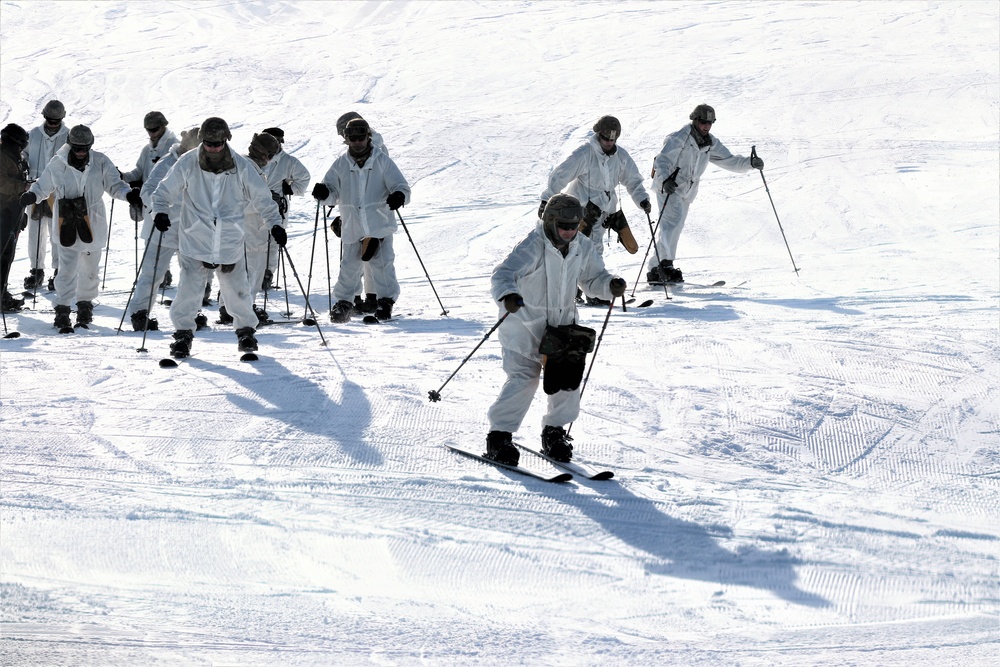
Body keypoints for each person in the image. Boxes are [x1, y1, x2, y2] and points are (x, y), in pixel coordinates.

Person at [484, 193, 626, 466]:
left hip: (561, 329)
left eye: (575, 226)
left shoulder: (581, 246)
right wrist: (508, 295)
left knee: (567, 381)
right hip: (524, 326)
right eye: (564, 225)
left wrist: (610, 285)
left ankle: (554, 433)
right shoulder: (533, 245)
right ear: (549, 222)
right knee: (524, 380)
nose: (569, 231)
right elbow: (502, 275)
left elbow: (593, 279)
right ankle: (499, 437)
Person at [150, 117, 282, 358]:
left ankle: (245, 332)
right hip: (195, 238)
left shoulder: (241, 166)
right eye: (208, 143)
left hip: (229, 240)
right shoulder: (187, 162)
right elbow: (164, 191)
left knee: (237, 290)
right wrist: (159, 211)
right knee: (189, 289)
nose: (213, 148)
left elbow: (262, 198)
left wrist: (275, 224)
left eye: (217, 143)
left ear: (226, 140)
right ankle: (182, 335)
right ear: (202, 140)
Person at [21, 125, 139, 330]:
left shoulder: (100, 161)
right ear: (70, 145)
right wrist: (33, 195)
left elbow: (115, 185)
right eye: (77, 148)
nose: (81, 152)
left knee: (90, 268)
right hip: (66, 221)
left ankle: (85, 304)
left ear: (90, 146)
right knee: (66, 269)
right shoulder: (58, 163)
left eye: (85, 148)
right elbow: (44, 185)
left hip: (93, 219)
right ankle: (63, 309)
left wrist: (128, 195)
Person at [647, 104, 763, 284]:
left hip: (687, 191)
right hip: (670, 187)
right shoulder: (679, 139)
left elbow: (729, 160)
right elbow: (661, 161)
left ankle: (656, 268)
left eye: (710, 122)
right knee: (672, 223)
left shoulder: (710, 143)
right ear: (694, 120)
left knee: (674, 227)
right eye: (703, 122)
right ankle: (665, 265)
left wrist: (750, 163)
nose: (706, 126)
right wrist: (665, 180)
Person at [312, 117, 410, 323]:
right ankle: (344, 302)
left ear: (368, 137)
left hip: (379, 222)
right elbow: (332, 192)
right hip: (353, 224)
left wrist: (399, 196)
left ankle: (385, 302)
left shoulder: (382, 161)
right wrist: (323, 193)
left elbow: (401, 185)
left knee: (383, 264)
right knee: (349, 265)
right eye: (352, 137)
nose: (357, 141)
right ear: (346, 139)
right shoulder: (341, 164)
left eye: (361, 136)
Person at [129, 127, 201, 331]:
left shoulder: (202, 164)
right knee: (153, 272)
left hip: (191, 229)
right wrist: (157, 211)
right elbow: (148, 190)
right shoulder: (168, 162)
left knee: (192, 273)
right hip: (162, 227)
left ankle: (190, 312)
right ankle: (139, 312)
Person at [216, 131, 281, 324]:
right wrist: (269, 200)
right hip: (248, 228)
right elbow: (240, 201)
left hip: (244, 228)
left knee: (238, 270)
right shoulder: (248, 169)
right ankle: (241, 309)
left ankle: (229, 307)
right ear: (266, 155)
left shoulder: (242, 166)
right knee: (250, 270)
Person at [334, 111, 389, 315]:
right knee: (358, 256)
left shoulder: (376, 148)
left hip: (373, 212)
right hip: (355, 213)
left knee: (370, 255)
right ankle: (358, 297)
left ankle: (371, 297)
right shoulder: (363, 145)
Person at [120, 111, 179, 288]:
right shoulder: (147, 150)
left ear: (163, 126)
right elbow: (139, 172)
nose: (152, 133)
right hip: (149, 201)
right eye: (149, 130)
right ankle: (158, 274)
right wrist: (122, 176)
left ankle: (165, 275)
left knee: (169, 239)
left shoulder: (174, 148)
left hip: (169, 202)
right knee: (152, 239)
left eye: (155, 129)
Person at [22, 99, 69, 292]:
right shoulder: (33, 135)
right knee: (35, 232)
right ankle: (36, 270)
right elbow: (22, 154)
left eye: (56, 120)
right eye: (50, 120)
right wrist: (23, 162)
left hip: (58, 191)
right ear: (44, 117)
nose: (52, 124)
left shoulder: (68, 136)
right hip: (35, 189)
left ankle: (58, 270)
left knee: (57, 233)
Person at [259, 126, 311, 292]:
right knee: (250, 239)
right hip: (253, 206)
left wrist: (291, 189)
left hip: (277, 207)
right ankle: (247, 273)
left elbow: (304, 177)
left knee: (273, 242)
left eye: (277, 141)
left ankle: (267, 273)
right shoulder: (254, 158)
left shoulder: (288, 161)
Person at [1, 123, 30, 312]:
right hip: (1, 212)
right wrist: (24, 187)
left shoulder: (18, 157)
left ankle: (2, 292)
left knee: (7, 256)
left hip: (13, 212)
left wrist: (22, 214)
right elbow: (2, 183)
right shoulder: (1, 156)